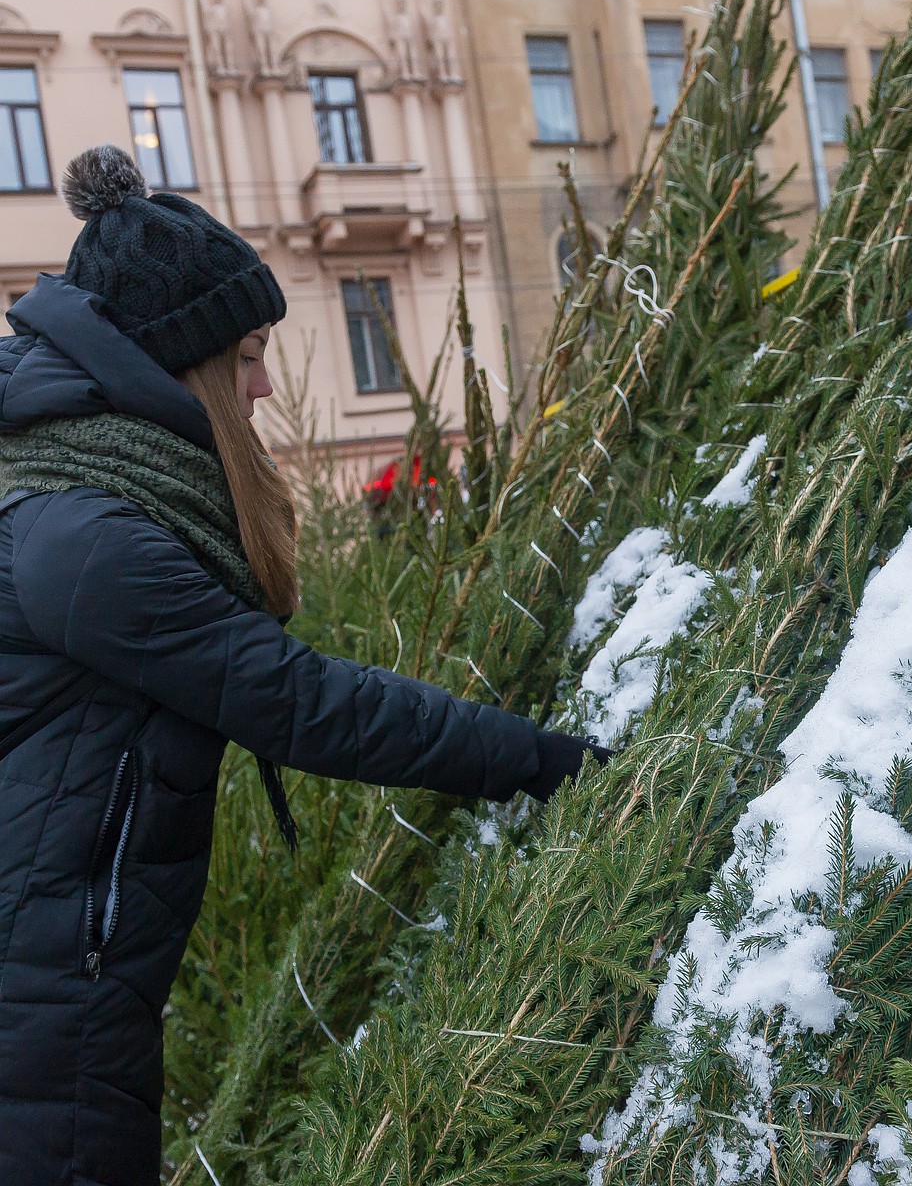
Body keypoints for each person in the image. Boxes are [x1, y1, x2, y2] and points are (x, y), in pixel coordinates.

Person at [0, 143, 609, 1186]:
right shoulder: (90, 539)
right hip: (46, 1000)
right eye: (246, 356)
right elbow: (306, 705)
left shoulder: (78, 483)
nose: (267, 384)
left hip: (64, 973)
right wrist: (547, 761)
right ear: (175, 362)